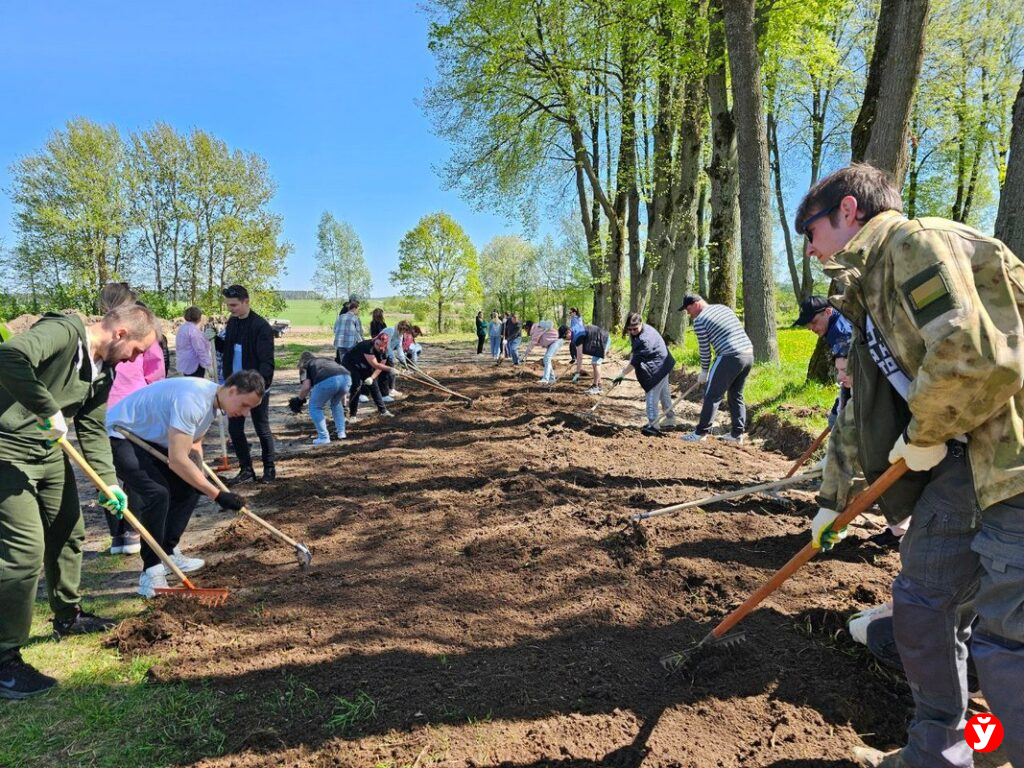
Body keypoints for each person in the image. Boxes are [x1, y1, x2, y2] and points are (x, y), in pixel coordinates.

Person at [797, 162, 1024, 768]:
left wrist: (923, 435)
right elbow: (861, 405)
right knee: (924, 601)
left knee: (1007, 634)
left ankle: (1001, 745)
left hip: (1011, 462)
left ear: (848, 211)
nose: (811, 248)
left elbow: (973, 356)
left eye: (811, 230)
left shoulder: (916, 244)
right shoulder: (868, 287)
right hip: (963, 462)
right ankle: (939, 753)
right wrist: (831, 499)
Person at [0, 303, 159, 697]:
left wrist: (109, 484)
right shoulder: (63, 333)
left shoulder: (102, 371)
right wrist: (46, 406)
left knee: (70, 531)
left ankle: (68, 615)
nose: (139, 360)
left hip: (48, 454)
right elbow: (8, 356)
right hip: (7, 451)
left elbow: (91, 429)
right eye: (139, 351)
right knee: (23, 553)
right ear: (120, 334)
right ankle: (4, 660)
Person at [107, 372, 262, 597]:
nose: (245, 413)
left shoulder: (213, 404)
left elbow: (193, 446)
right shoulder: (193, 400)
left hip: (149, 439)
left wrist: (199, 477)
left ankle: (168, 551)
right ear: (232, 391)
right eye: (245, 405)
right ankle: (150, 572)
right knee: (157, 494)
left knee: (190, 486)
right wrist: (217, 494)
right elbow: (178, 460)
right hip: (121, 435)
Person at [100, 283, 167, 557]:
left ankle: (119, 535)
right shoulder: (142, 332)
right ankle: (129, 531)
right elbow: (156, 372)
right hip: (130, 408)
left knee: (108, 472)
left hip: (106, 410)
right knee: (135, 470)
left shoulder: (105, 331)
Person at [215, 285, 276, 485]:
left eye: (234, 305)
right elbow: (229, 348)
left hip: (255, 387)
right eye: (229, 305)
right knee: (235, 430)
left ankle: (269, 469)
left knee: (261, 427)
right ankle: (246, 469)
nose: (231, 309)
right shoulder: (233, 323)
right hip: (235, 387)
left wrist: (261, 386)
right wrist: (215, 341)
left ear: (246, 301)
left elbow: (266, 360)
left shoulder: (261, 326)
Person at [678, 294, 753, 444]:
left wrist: (704, 371)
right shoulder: (723, 308)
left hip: (729, 356)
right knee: (735, 394)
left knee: (712, 394)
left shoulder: (700, 321)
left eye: (688, 309)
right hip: (748, 355)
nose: (688, 313)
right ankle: (737, 435)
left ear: (695, 304)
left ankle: (700, 433)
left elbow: (705, 350)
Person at [613, 313, 681, 433]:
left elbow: (635, 362)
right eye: (630, 329)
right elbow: (634, 353)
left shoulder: (644, 340)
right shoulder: (641, 331)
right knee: (664, 393)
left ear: (641, 324)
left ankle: (653, 425)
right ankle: (670, 419)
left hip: (659, 366)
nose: (633, 331)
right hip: (665, 362)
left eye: (635, 329)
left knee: (652, 394)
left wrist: (622, 374)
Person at [297, 352, 352, 444]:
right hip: (347, 377)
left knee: (315, 407)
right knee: (336, 403)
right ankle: (341, 433)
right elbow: (341, 387)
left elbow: (306, 387)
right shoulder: (326, 360)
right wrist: (344, 405)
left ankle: (323, 437)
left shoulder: (307, 365)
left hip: (328, 380)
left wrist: (299, 400)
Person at [342, 332, 397, 422]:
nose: (379, 347)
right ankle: (353, 415)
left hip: (365, 365)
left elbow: (380, 367)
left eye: (381, 345)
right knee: (356, 386)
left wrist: (372, 377)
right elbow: (375, 365)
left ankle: (383, 411)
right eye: (377, 344)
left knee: (374, 386)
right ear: (375, 340)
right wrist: (390, 369)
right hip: (352, 364)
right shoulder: (367, 346)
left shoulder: (385, 351)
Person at [569, 322, 611, 394]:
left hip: (604, 340)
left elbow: (580, 356)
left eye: (564, 337)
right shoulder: (576, 333)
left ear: (568, 332)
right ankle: (599, 385)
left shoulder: (577, 335)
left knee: (595, 363)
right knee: (596, 363)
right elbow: (580, 352)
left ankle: (595, 386)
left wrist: (577, 372)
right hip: (601, 340)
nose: (565, 339)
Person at [378, 320, 413, 401]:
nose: (405, 332)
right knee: (384, 373)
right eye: (405, 330)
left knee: (392, 370)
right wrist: (393, 358)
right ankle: (384, 393)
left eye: (406, 330)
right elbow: (387, 345)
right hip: (380, 351)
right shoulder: (391, 331)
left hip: (387, 353)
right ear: (401, 327)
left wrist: (403, 360)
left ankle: (391, 389)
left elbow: (399, 347)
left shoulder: (400, 335)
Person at [175, 306, 212, 378]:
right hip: (194, 365)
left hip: (185, 362)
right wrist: (208, 364)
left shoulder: (182, 328)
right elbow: (200, 349)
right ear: (199, 317)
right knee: (195, 386)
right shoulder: (194, 330)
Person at [333, 295, 363, 363]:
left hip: (339, 342)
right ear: (355, 308)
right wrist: (361, 343)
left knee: (343, 362)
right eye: (358, 309)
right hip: (350, 343)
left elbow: (335, 329)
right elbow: (358, 332)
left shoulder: (340, 316)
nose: (358, 311)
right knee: (352, 361)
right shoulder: (355, 318)